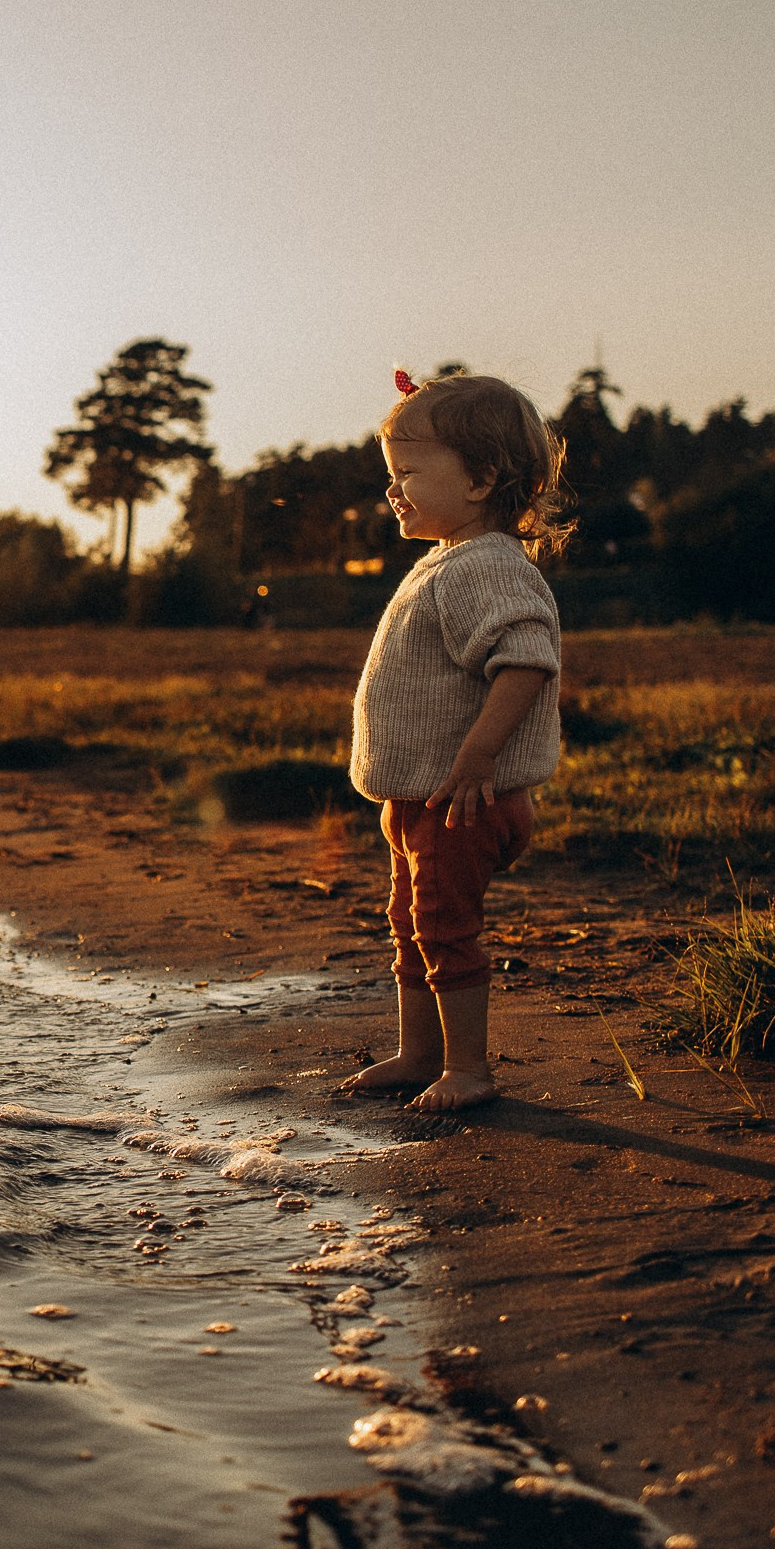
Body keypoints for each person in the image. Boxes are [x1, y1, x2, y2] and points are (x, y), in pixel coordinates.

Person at [335, 372, 567, 1113]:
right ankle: (419, 1052)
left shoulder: (487, 563)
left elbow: (527, 656)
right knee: (411, 924)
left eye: (407, 472)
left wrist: (479, 755)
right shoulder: (445, 561)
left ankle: (468, 1066)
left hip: (463, 797)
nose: (393, 490)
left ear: (482, 478)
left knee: (444, 925)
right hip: (422, 800)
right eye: (389, 474)